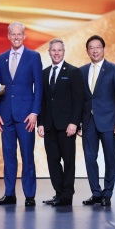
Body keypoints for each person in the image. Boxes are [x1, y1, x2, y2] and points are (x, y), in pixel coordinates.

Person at [0, 22, 43, 207]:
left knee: (27, 156)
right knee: (8, 156)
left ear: (24, 36)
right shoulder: (1, 58)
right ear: (8, 36)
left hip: (26, 117)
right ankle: (9, 194)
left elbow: (39, 87)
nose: (16, 37)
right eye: (13, 34)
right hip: (6, 116)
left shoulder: (33, 57)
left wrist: (35, 112)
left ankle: (29, 195)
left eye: (19, 34)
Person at [79, 34, 115, 207]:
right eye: (91, 48)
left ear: (103, 49)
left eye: (98, 47)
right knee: (89, 157)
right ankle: (96, 193)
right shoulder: (82, 71)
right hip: (88, 122)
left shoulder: (114, 69)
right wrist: (78, 122)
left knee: (110, 157)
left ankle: (107, 193)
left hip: (109, 121)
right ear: (87, 51)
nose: (95, 51)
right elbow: (80, 99)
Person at [39, 39, 86, 207]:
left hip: (67, 126)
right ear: (49, 52)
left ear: (64, 52)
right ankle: (58, 193)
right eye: (53, 50)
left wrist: (75, 122)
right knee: (53, 161)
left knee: (68, 161)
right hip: (49, 125)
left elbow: (78, 100)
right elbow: (42, 100)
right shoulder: (44, 73)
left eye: (59, 50)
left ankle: (67, 195)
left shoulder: (73, 72)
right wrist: (40, 123)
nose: (56, 53)